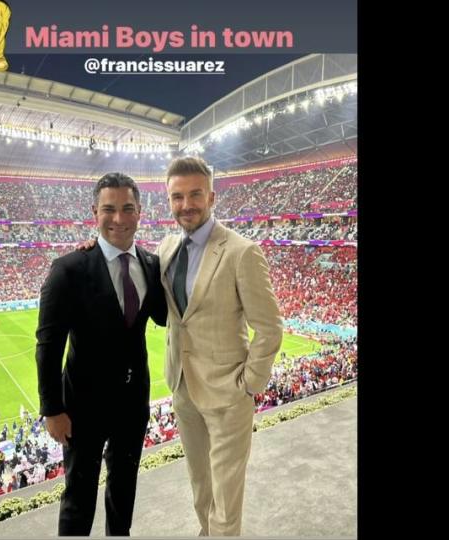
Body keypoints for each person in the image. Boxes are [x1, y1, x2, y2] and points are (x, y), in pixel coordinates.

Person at [36, 172, 168, 536]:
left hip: (132, 403)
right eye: (109, 209)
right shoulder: (69, 269)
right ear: (95, 212)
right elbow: (48, 344)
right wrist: (52, 409)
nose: (119, 218)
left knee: (124, 491)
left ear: (140, 212)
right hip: (82, 407)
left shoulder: (152, 265)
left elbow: (166, 315)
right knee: (79, 500)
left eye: (128, 208)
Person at [157, 156, 283, 536]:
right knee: (201, 491)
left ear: (211, 197)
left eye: (195, 194)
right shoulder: (165, 250)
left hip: (228, 395)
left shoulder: (241, 251)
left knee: (226, 503)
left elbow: (270, 327)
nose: (186, 205)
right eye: (177, 197)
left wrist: (248, 383)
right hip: (183, 390)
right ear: (169, 201)